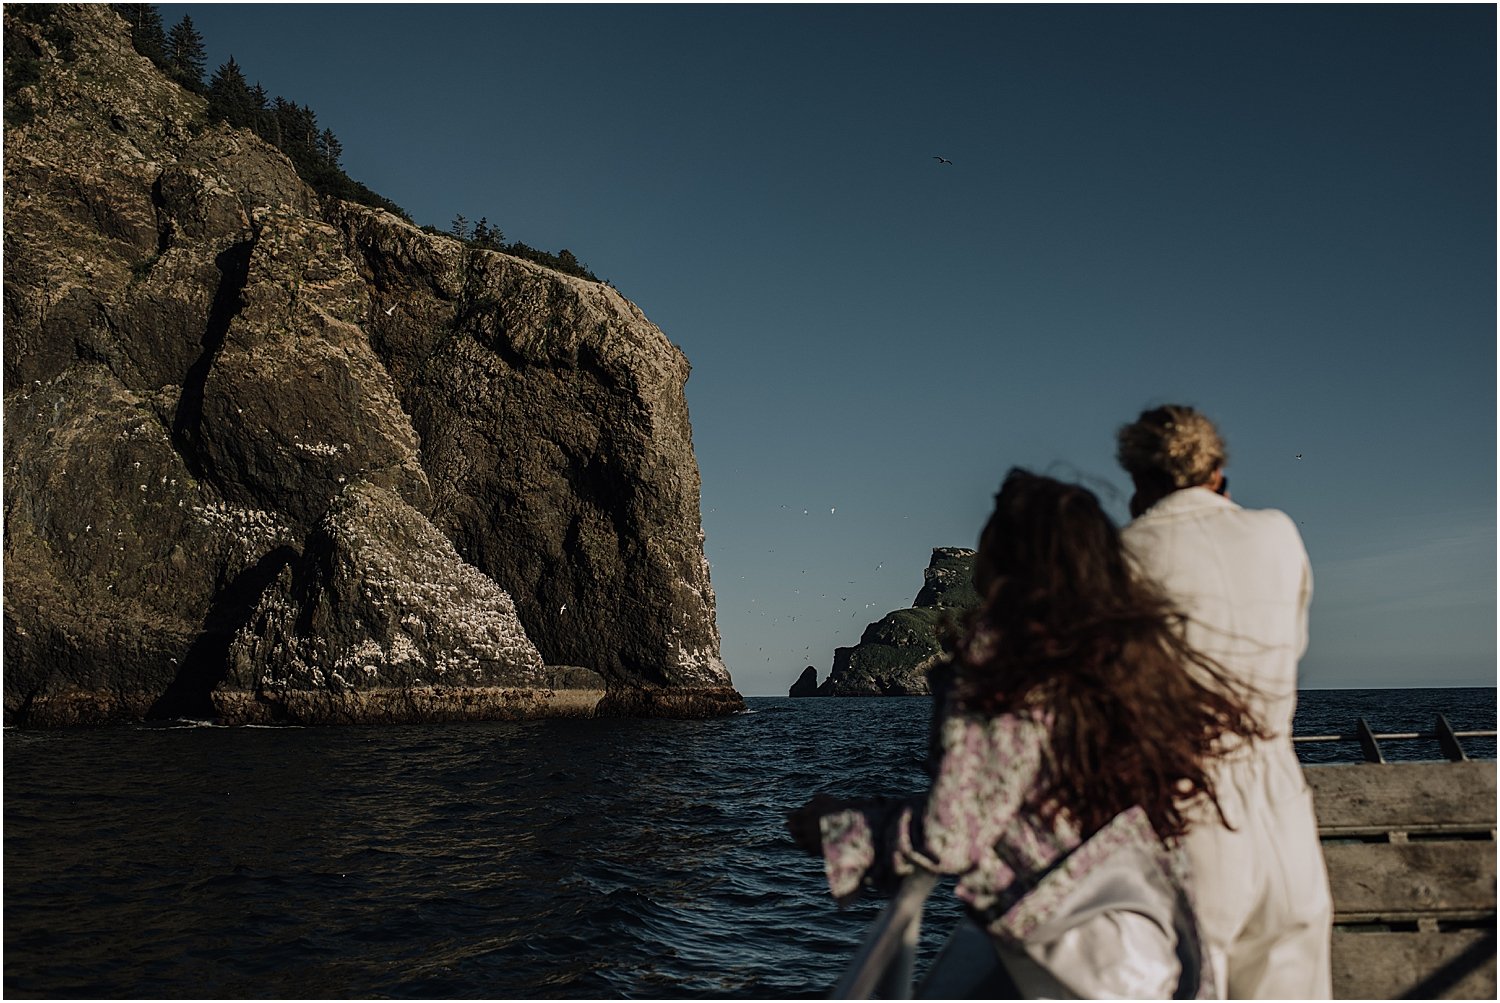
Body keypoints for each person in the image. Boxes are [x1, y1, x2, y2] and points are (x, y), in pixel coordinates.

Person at [787, 470, 1268, 999]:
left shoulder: (1007, 661)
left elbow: (953, 833)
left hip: (1068, 957)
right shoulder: (1135, 658)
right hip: (1161, 938)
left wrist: (843, 830)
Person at [1116, 404, 1333, 999]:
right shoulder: (1279, 534)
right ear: (1218, 471)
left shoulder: (1126, 555)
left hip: (1191, 816)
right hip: (1285, 813)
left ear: (1138, 480)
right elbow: (1290, 646)